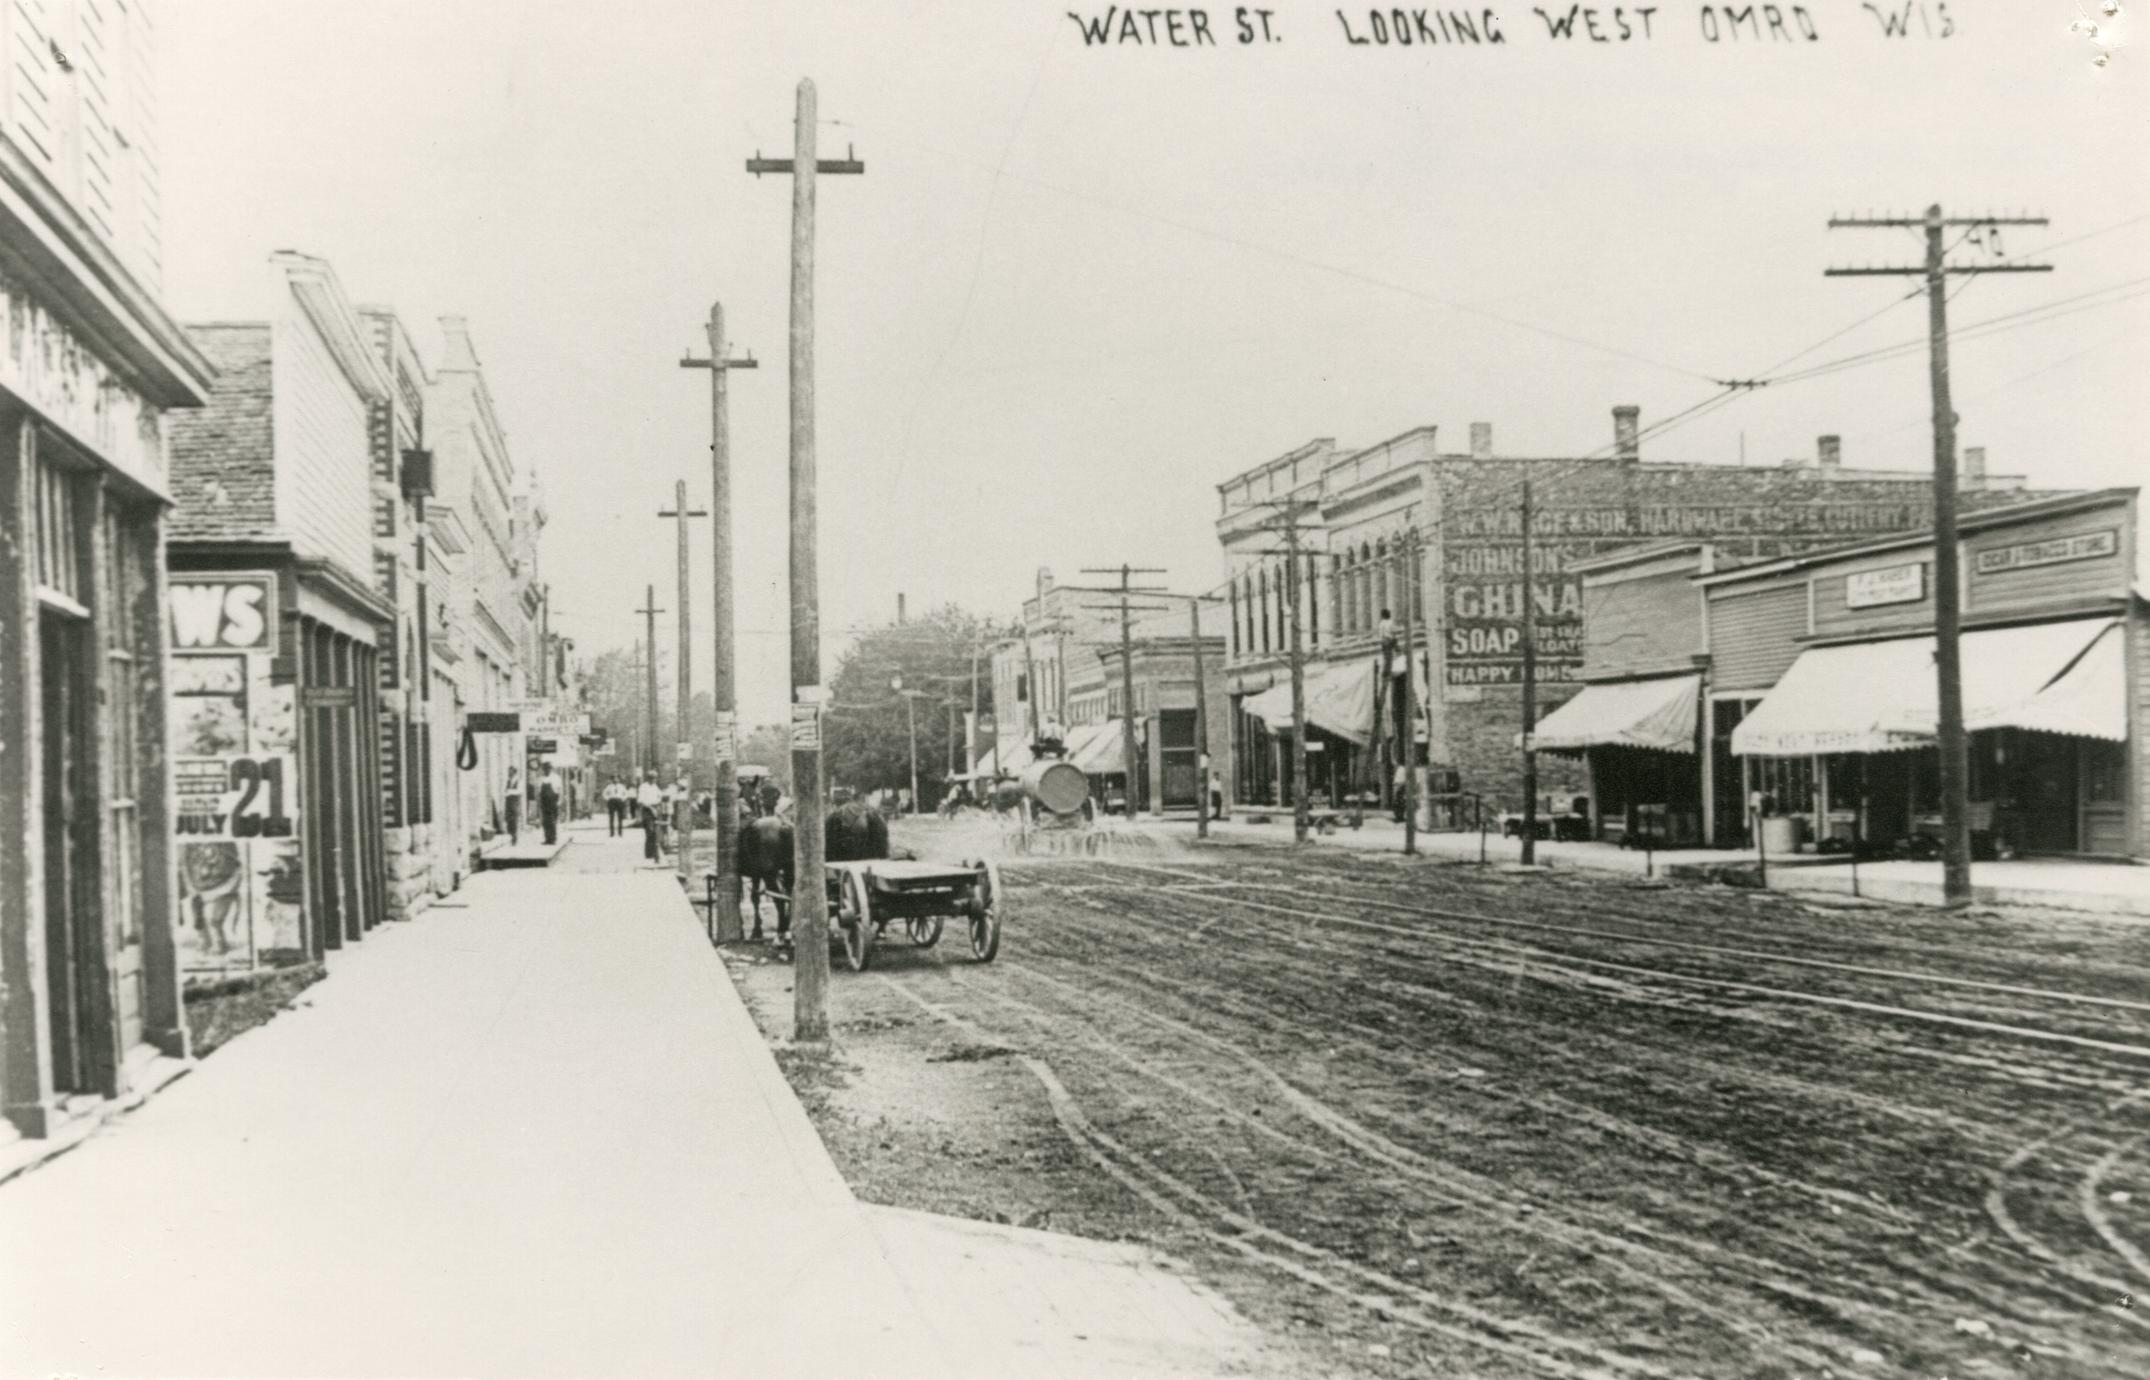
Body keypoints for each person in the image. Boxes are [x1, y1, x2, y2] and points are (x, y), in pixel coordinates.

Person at [637, 771, 665, 863]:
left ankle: (654, 853)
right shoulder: (643, 787)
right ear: (648, 778)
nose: (654, 780)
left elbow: (660, 796)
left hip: (655, 808)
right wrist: (650, 808)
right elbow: (641, 801)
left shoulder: (655, 787)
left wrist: (657, 805)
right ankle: (649, 853)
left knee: (656, 831)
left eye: (655, 778)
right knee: (650, 831)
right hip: (647, 810)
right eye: (652, 778)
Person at [537, 762, 562, 846]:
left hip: (553, 801)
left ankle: (553, 839)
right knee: (545, 821)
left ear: (551, 769)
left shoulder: (556, 778)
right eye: (545, 769)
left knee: (552, 820)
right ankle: (547, 838)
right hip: (544, 802)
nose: (546, 771)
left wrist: (559, 801)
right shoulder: (541, 779)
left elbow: (560, 791)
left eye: (548, 769)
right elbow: (539, 791)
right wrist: (539, 802)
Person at [504, 764, 523, 845]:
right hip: (508, 802)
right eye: (508, 772)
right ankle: (510, 837)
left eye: (510, 772)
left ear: (514, 772)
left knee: (514, 820)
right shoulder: (508, 781)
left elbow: (519, 791)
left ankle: (514, 839)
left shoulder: (518, 781)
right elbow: (505, 790)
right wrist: (506, 792)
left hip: (515, 802)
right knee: (509, 820)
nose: (509, 773)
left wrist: (510, 791)